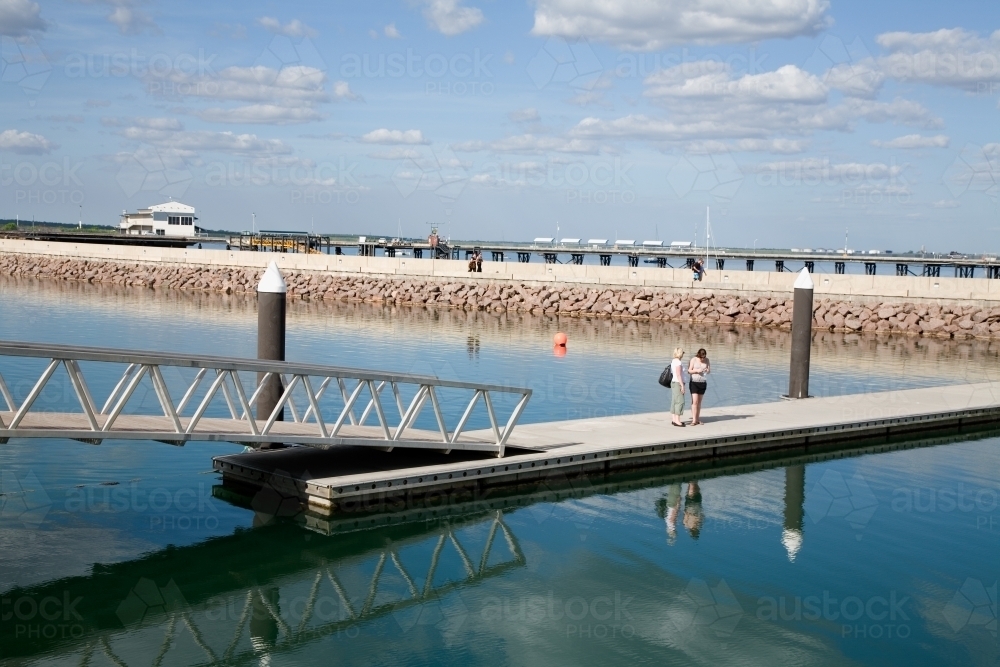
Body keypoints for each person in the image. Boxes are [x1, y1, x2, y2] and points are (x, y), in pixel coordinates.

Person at [687, 348, 710, 425]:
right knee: (695, 402)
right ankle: (693, 420)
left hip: (702, 382)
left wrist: (707, 370)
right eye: (701, 357)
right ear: (699, 355)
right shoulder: (693, 359)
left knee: (699, 402)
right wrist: (697, 371)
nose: (702, 359)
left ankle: (697, 419)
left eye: (704, 357)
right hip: (694, 382)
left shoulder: (707, 360)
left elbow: (709, 370)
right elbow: (689, 370)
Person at [670, 347, 686, 426]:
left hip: (673, 382)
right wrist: (682, 385)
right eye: (683, 353)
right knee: (680, 401)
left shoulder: (673, 361)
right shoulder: (678, 363)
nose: (683, 354)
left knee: (674, 401)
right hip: (678, 383)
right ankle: (677, 420)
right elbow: (678, 374)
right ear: (680, 353)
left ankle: (674, 419)